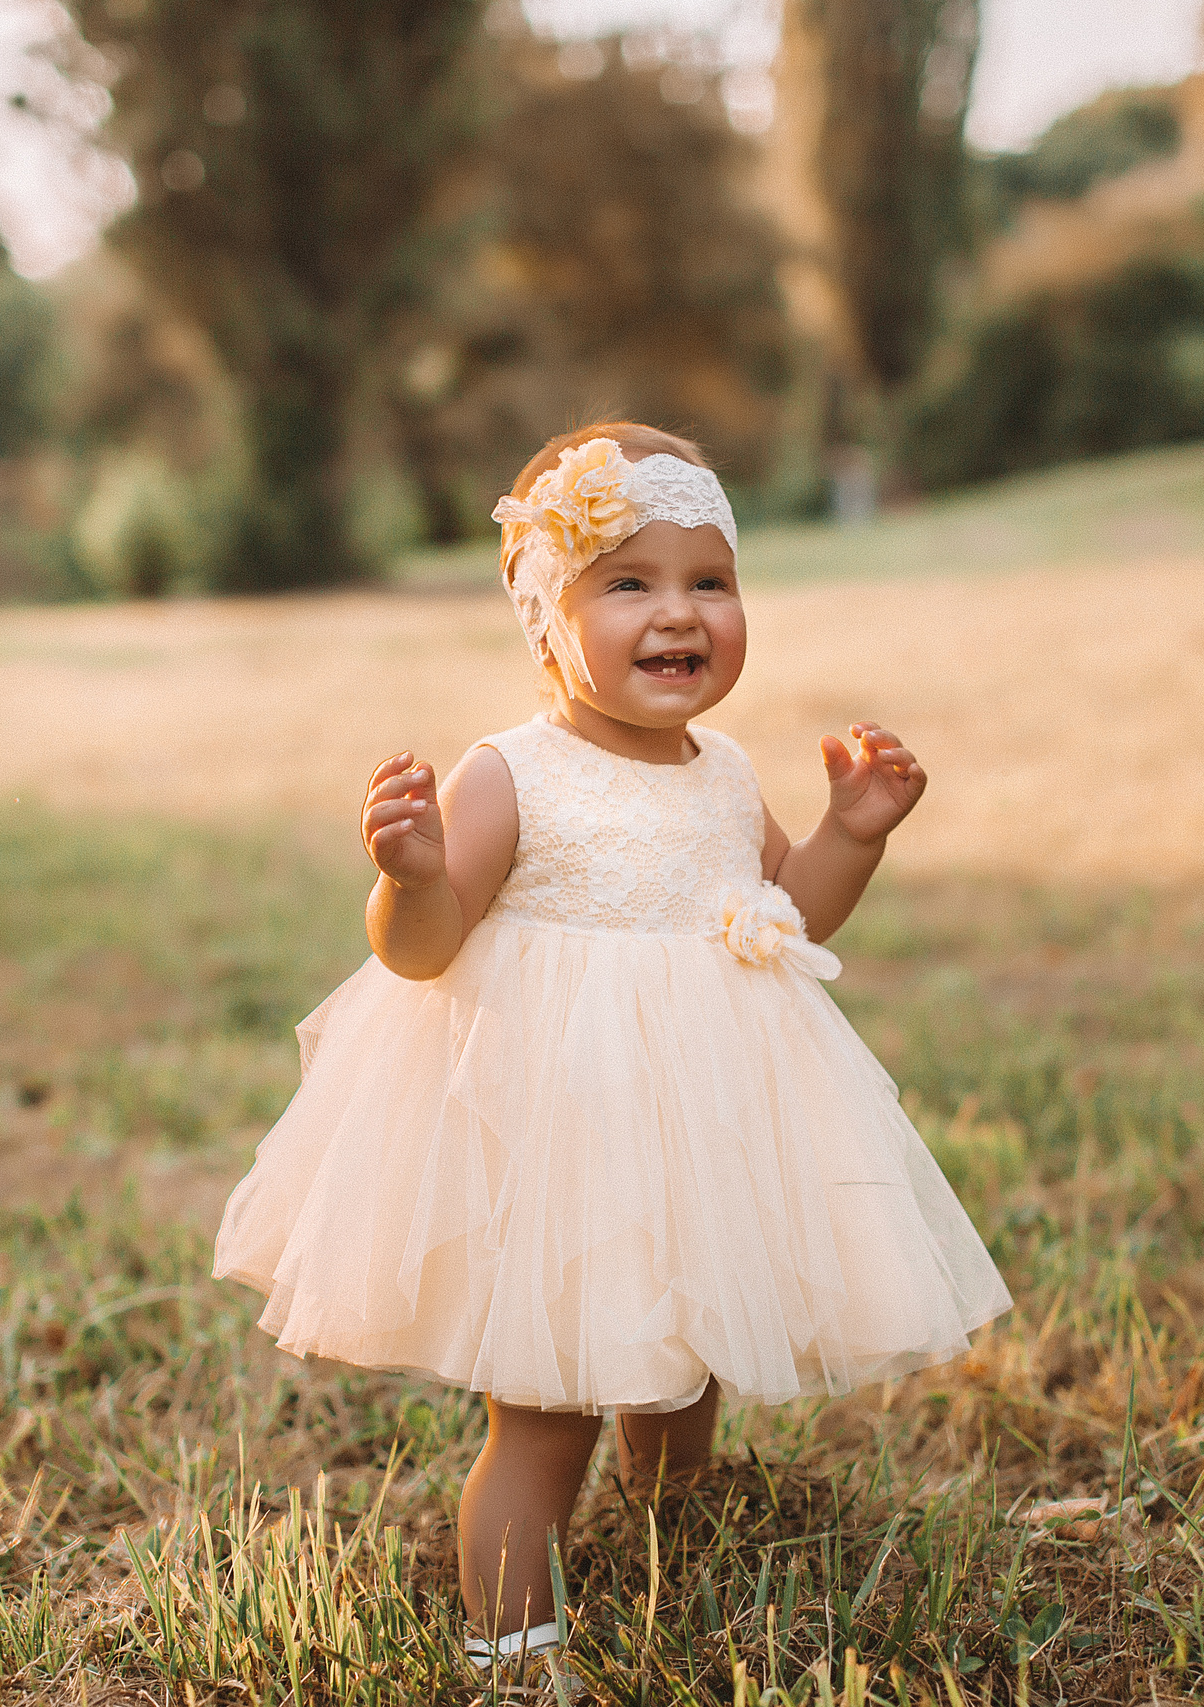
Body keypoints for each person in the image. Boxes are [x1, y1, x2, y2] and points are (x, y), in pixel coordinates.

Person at [212, 422, 1011, 1670]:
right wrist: (409, 876)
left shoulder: (726, 770)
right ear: (544, 618)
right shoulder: (511, 775)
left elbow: (784, 911)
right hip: (557, 1140)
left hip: (704, 1119)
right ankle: (512, 1652)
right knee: (545, 1419)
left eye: (710, 581)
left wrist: (853, 832)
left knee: (689, 1346)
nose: (677, 613)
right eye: (628, 583)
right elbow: (419, 953)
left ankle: (673, 1522)